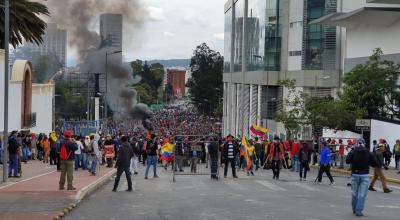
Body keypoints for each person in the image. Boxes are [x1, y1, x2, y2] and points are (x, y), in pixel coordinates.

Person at [346, 138, 377, 217]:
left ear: (357, 143)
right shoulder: (368, 152)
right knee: (362, 194)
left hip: (355, 175)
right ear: (364, 144)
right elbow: (374, 163)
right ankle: (358, 211)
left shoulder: (353, 151)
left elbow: (347, 161)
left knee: (354, 193)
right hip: (364, 175)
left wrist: (351, 151)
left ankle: (354, 208)